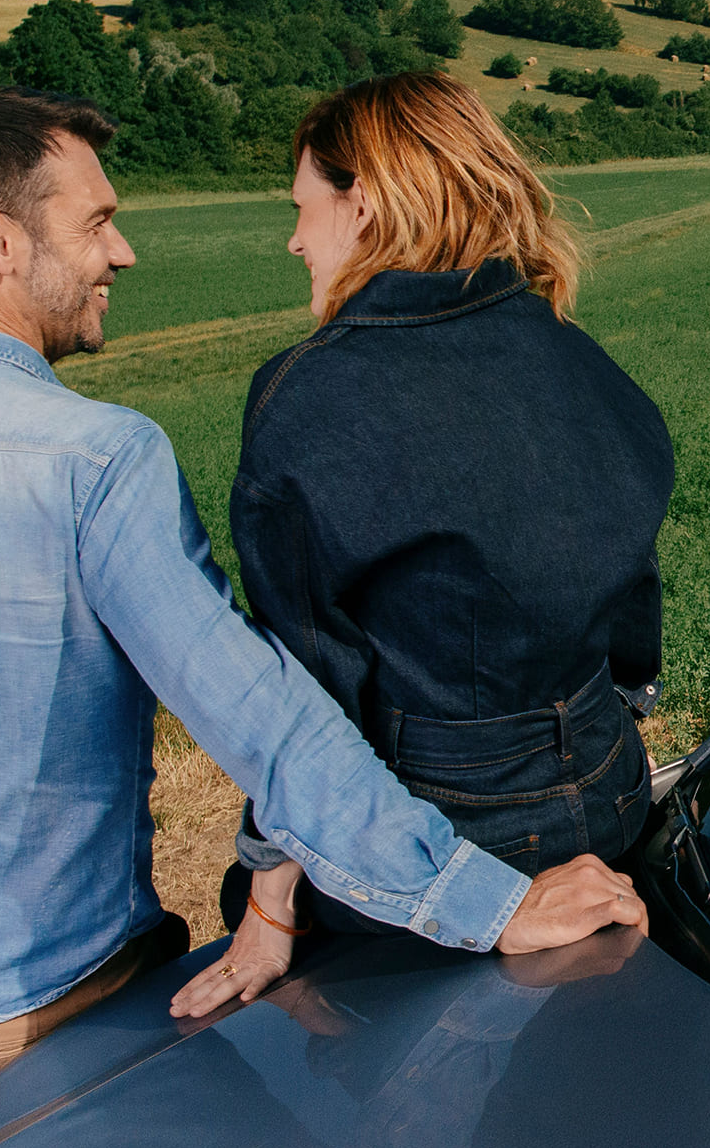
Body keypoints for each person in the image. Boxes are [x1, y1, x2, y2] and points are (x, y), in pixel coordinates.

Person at [0, 85, 642, 1148]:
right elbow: (270, 724)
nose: (121, 252)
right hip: (48, 1015)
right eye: (95, 221)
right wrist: (490, 902)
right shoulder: (94, 461)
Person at [170, 72, 674, 1020]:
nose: (294, 239)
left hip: (448, 834)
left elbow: (306, 693)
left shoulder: (308, 395)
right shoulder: (574, 350)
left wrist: (271, 901)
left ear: (362, 202)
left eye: (304, 208)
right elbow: (633, 612)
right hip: (610, 793)